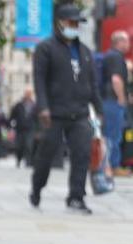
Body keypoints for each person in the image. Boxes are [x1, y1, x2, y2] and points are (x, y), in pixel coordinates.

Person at [30, 3, 102, 215]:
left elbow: (92, 84)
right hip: (53, 113)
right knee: (46, 155)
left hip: (79, 113)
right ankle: (37, 188)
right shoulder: (45, 48)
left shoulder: (85, 52)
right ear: (59, 23)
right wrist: (43, 107)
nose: (74, 26)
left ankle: (76, 197)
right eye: (71, 22)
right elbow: (39, 80)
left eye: (77, 23)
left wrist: (98, 109)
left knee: (82, 154)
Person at [101, 30, 130, 177]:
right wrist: (121, 98)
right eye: (127, 41)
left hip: (107, 100)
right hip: (112, 101)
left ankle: (108, 165)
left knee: (109, 134)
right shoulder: (116, 57)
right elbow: (116, 80)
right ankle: (113, 166)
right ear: (120, 42)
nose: (129, 44)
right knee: (114, 135)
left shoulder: (109, 56)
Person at [9, 88, 37, 168]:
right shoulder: (19, 105)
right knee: (19, 146)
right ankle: (18, 159)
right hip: (20, 129)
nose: (28, 94)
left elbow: (37, 119)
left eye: (29, 93)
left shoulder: (34, 105)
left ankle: (28, 162)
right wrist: (11, 127)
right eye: (26, 93)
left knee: (29, 145)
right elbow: (12, 116)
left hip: (30, 129)